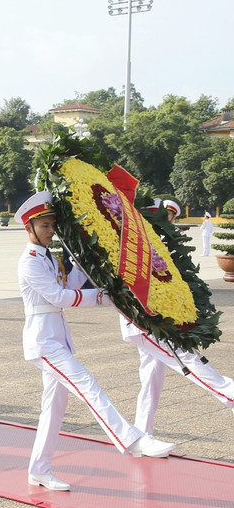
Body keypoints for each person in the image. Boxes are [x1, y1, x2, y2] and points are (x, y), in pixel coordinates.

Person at [15, 190, 175, 492]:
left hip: (57, 340)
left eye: (52, 225)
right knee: (86, 383)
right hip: (43, 341)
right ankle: (131, 439)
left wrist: (84, 263)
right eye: (45, 226)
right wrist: (101, 296)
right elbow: (59, 297)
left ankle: (39, 470)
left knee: (53, 409)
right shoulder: (30, 262)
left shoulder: (50, 258)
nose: (51, 231)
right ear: (29, 228)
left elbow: (70, 284)